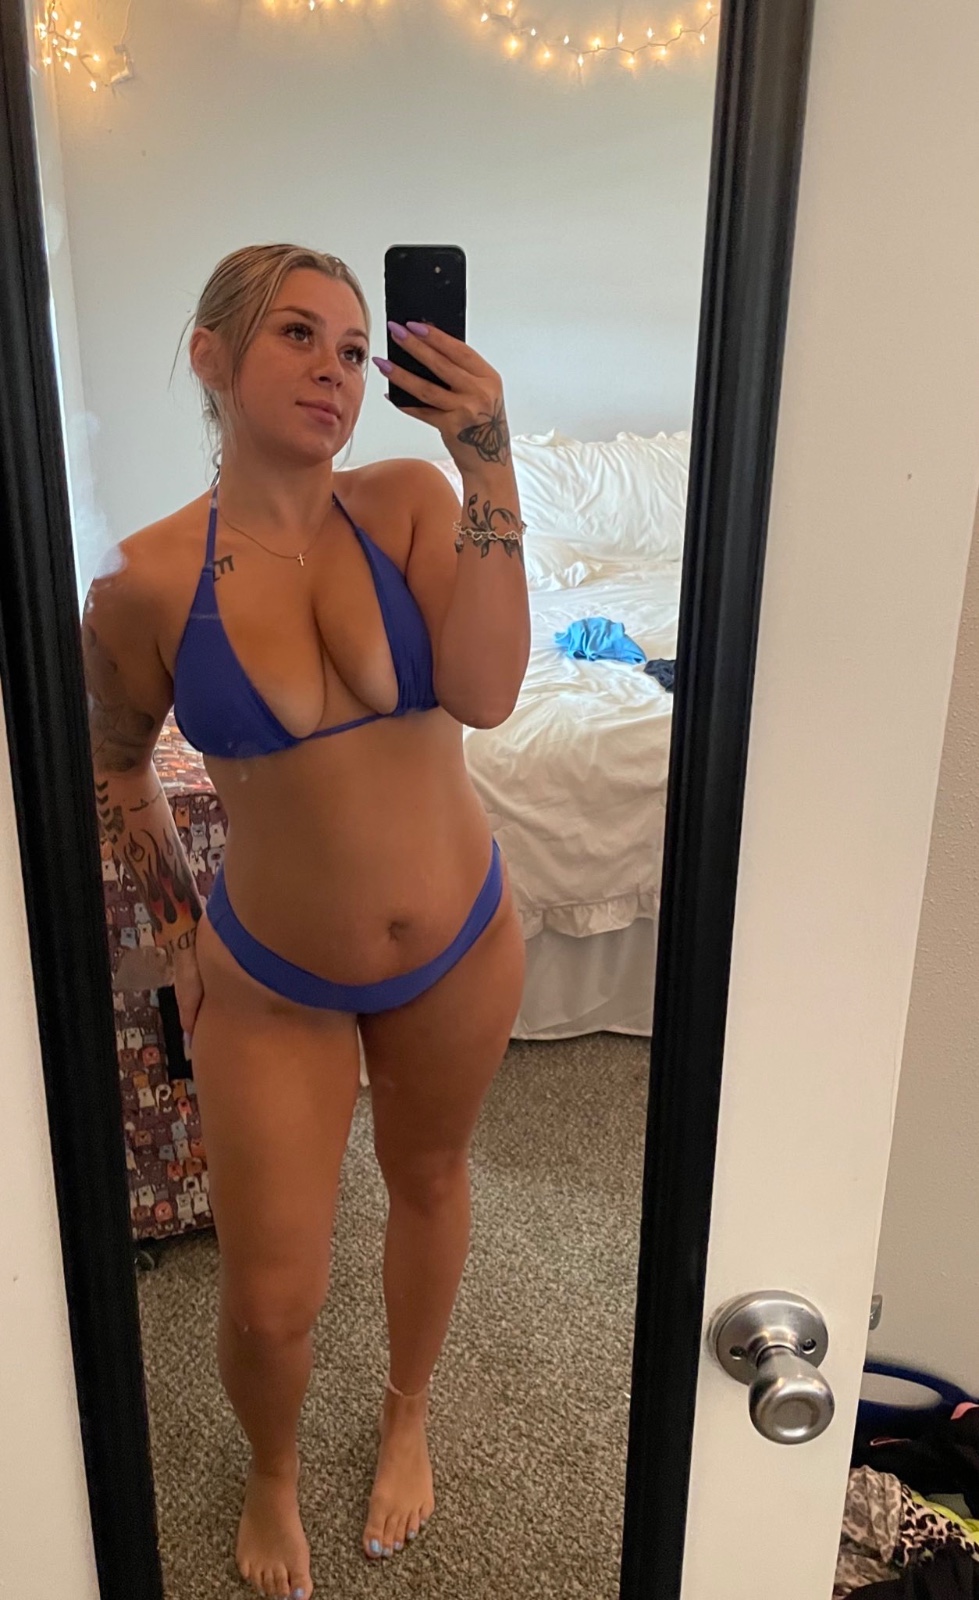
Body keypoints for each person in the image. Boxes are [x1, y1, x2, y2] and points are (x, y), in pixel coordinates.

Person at [84, 243, 530, 1600]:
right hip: (271, 980)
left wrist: (488, 462)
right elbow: (116, 767)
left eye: (351, 346)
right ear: (211, 355)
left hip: (460, 939)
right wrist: (178, 937)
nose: (333, 369)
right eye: (296, 335)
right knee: (271, 1297)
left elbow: (488, 692)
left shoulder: (406, 503)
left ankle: (406, 1411)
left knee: (430, 1178)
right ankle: (271, 1470)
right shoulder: (143, 580)